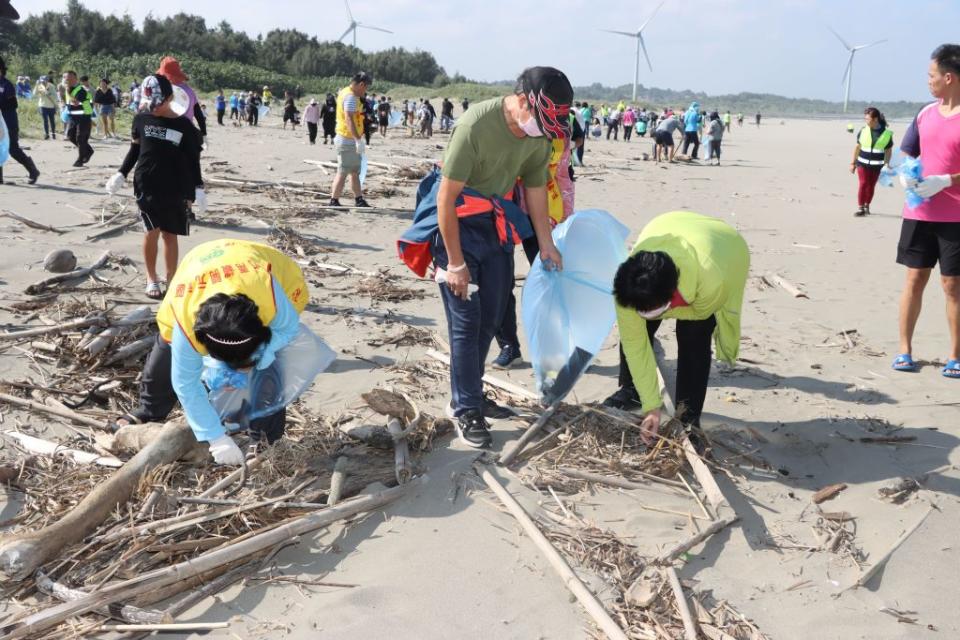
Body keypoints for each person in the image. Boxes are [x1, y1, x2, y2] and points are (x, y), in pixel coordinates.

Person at [397, 66, 571, 448]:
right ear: (523, 101)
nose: (542, 130)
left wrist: (546, 243)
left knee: (491, 317)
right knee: (465, 321)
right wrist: (455, 263)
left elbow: (537, 191)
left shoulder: (538, 137)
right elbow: (444, 197)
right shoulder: (475, 125)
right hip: (456, 224)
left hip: (497, 225)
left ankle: (469, 393)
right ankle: (465, 409)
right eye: (540, 120)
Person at [115, 239, 309, 465]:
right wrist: (216, 437)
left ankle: (264, 439)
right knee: (165, 356)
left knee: (269, 370)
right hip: (197, 267)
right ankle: (149, 410)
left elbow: (287, 328)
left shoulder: (269, 297)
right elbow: (186, 383)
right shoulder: (186, 324)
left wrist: (266, 355)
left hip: (258, 263)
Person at [603, 211, 749, 452]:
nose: (639, 313)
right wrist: (652, 407)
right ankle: (633, 391)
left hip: (724, 247)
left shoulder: (712, 283)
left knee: (694, 336)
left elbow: (699, 315)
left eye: (652, 309)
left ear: (671, 297)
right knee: (637, 328)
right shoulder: (628, 285)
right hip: (665, 225)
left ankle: (689, 419)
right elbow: (635, 345)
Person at [892, 43, 960, 378]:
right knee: (914, 279)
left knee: (952, 285)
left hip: (955, 218)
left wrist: (947, 180)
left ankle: (955, 356)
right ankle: (904, 350)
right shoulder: (924, 113)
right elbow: (909, 153)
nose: (928, 81)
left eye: (931, 75)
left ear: (949, 77)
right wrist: (907, 174)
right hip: (918, 214)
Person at [105, 74, 206, 299]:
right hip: (146, 184)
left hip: (175, 187)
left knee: (170, 235)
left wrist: (197, 188)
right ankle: (151, 278)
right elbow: (134, 150)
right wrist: (121, 173)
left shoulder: (184, 126)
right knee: (151, 231)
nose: (154, 108)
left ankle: (172, 280)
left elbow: (192, 160)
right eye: (150, 104)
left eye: (158, 104)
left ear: (170, 98)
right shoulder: (141, 119)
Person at [328, 72, 372, 208]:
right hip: (347, 139)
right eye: (366, 88)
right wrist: (358, 140)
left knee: (354, 171)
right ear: (361, 84)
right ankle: (334, 201)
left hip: (347, 138)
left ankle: (359, 199)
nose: (365, 91)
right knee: (343, 171)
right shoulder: (351, 97)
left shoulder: (344, 92)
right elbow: (349, 119)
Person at [0, 57, 41, 185]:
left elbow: (13, 104)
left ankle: (33, 170)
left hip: (8, 121)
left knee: (13, 149)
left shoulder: (7, 85)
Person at [850, 107, 893, 216]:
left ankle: (867, 204)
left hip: (877, 165)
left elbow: (888, 150)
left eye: (867, 119)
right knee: (863, 183)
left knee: (871, 186)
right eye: (865, 119)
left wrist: (887, 163)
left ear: (875, 119)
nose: (866, 121)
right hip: (862, 163)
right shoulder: (863, 130)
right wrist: (853, 163)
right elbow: (857, 147)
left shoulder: (886, 134)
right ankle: (860, 208)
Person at [62, 70, 94, 166]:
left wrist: (77, 102)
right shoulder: (68, 89)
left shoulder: (80, 90)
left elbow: (86, 104)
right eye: (66, 78)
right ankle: (88, 150)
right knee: (71, 136)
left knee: (80, 138)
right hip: (73, 117)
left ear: (75, 79)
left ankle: (80, 159)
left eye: (70, 78)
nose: (68, 80)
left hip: (83, 117)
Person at [36, 75, 57, 140]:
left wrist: (47, 93)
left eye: (44, 81)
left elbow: (54, 95)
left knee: (52, 120)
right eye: (41, 81)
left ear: (47, 80)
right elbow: (34, 94)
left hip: (51, 106)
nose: (43, 82)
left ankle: (53, 133)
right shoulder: (39, 86)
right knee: (45, 120)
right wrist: (36, 85)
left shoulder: (51, 86)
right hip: (42, 105)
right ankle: (47, 134)